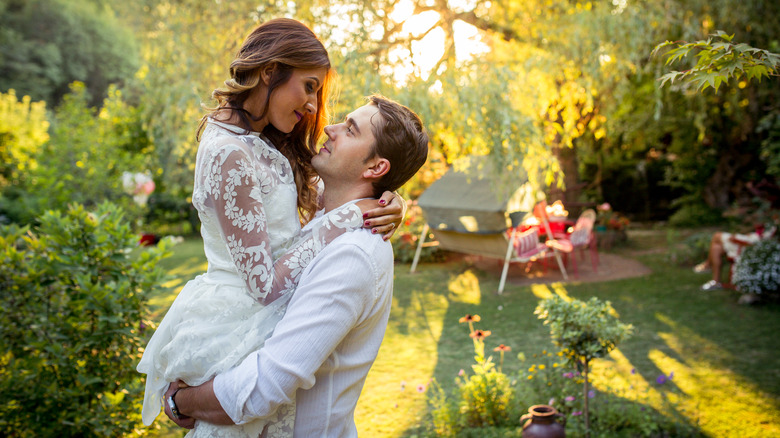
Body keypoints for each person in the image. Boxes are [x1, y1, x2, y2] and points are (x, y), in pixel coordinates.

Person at [136, 19, 405, 437]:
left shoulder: (259, 141)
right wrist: (348, 218)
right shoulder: (229, 152)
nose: (315, 106)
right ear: (270, 71)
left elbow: (327, 194)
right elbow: (262, 285)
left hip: (265, 316)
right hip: (243, 316)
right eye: (310, 86)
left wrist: (389, 198)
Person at [161, 95, 428, 437]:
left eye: (350, 129)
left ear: (375, 168)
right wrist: (394, 200)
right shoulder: (323, 216)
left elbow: (267, 384)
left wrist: (181, 402)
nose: (329, 129)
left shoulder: (353, 255)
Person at [695, 224, 776, 290]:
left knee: (717, 236)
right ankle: (715, 280)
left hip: (750, 245)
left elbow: (764, 241)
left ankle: (709, 266)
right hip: (750, 240)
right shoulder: (771, 222)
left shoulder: (775, 225)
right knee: (716, 248)